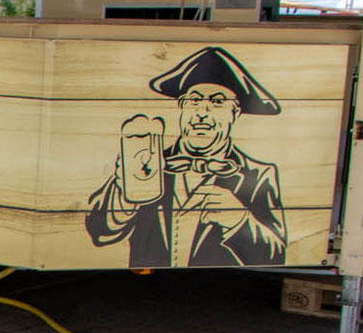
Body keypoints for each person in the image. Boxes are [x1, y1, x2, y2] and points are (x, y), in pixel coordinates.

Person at [84, 45, 288, 269]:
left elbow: (276, 255)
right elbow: (98, 232)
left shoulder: (258, 173)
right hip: (144, 288)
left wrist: (239, 220)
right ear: (181, 107)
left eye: (217, 102)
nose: (202, 113)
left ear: (235, 112)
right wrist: (124, 195)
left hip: (212, 289)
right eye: (194, 101)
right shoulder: (148, 162)